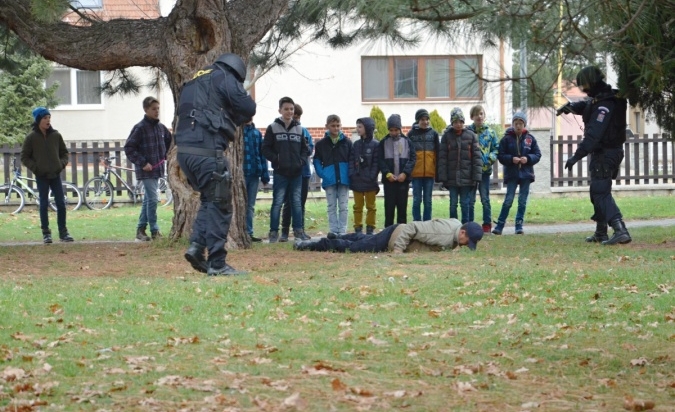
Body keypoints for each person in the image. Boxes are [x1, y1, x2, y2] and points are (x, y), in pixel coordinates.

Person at [175, 53, 256, 276]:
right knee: (221, 206)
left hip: (185, 153)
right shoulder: (225, 77)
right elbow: (248, 108)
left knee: (209, 200)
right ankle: (217, 263)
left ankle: (197, 247)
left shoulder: (194, 80)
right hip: (207, 151)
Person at [557, 66, 631, 245]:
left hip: (606, 153)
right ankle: (601, 233)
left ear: (592, 82)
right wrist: (571, 107)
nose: (583, 89)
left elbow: (593, 135)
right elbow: (588, 105)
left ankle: (620, 229)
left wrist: (576, 157)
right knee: (597, 191)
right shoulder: (602, 98)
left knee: (600, 192)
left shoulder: (606, 104)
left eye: (584, 85)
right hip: (605, 153)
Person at [21, 107, 74, 244]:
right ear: (39, 120)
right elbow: (24, 157)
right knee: (43, 204)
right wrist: (36, 168)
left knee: (61, 203)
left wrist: (60, 165)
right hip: (42, 176)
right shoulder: (31, 138)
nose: (48, 120)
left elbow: (64, 153)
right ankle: (46, 233)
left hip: (55, 175)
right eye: (45, 118)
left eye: (49, 118)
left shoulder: (56, 136)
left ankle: (63, 232)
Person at [262, 96, 311, 243]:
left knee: (296, 202)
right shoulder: (273, 127)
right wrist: (277, 160)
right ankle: (273, 233)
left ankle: (298, 231)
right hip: (280, 172)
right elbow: (265, 148)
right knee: (277, 202)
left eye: (291, 109)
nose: (289, 112)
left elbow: (305, 149)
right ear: (280, 110)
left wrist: (301, 161)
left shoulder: (299, 129)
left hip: (296, 173)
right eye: (286, 109)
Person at [124, 96, 173, 241]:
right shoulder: (140, 128)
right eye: (153, 109)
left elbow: (170, 143)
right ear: (146, 110)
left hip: (157, 169)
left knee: (148, 200)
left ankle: (140, 230)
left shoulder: (161, 128)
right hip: (146, 170)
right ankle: (154, 230)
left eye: (158, 108)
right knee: (153, 199)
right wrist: (143, 162)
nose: (157, 111)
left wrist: (168, 154)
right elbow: (129, 148)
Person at [293, 219, 483, 253]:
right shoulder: (443, 235)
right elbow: (413, 227)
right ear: (463, 233)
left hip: (394, 231)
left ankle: (337, 236)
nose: (466, 245)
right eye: (468, 241)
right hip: (395, 236)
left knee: (363, 240)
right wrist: (399, 249)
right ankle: (311, 244)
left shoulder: (456, 226)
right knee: (355, 248)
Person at [492, 111, 541, 235]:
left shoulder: (530, 139)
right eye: (516, 123)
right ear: (512, 124)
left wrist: (528, 159)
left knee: (522, 201)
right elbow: (501, 155)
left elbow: (537, 154)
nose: (518, 126)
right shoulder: (506, 139)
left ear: (524, 125)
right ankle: (500, 225)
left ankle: (519, 226)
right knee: (508, 200)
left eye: (520, 123)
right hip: (512, 174)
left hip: (526, 174)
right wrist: (511, 159)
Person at [437, 107, 482, 223]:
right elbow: (442, 158)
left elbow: (477, 158)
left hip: (467, 178)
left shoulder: (472, 136)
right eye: (455, 122)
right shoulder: (447, 137)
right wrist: (443, 177)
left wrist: (476, 177)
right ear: (452, 123)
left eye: (460, 122)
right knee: (453, 204)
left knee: (465, 203)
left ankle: (465, 226)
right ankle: (453, 225)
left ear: (464, 122)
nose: (458, 124)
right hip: (451, 178)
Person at [279, 103, 314, 242]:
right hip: (287, 173)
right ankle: (284, 232)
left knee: (300, 203)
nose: (296, 119)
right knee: (288, 202)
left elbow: (310, 150)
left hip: (303, 172)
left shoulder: (304, 131)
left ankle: (300, 230)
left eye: (298, 117)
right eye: (294, 116)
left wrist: (304, 146)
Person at [313, 114, 352, 237]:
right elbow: (317, 160)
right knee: (331, 206)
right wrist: (322, 173)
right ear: (327, 126)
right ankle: (334, 230)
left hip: (344, 179)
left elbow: (352, 160)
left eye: (338, 125)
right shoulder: (321, 144)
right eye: (333, 126)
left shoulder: (347, 142)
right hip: (329, 179)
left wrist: (349, 173)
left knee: (343, 206)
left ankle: (342, 230)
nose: (336, 128)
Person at [378, 114, 416, 227]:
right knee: (389, 208)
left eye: (396, 130)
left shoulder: (408, 142)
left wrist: (405, 173)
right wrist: (387, 173)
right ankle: (388, 232)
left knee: (402, 208)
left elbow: (412, 158)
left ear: (400, 129)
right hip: (389, 182)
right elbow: (380, 160)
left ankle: (401, 232)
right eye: (391, 130)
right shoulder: (383, 142)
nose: (394, 132)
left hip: (402, 182)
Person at [467, 105, 500, 233]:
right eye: (476, 114)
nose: (479, 116)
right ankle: (470, 224)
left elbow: (496, 148)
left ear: (484, 116)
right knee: (470, 200)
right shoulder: (468, 132)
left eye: (481, 114)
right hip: (471, 172)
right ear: (472, 117)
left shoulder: (490, 132)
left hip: (485, 171)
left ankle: (487, 225)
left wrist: (490, 158)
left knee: (485, 199)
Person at [348, 117, 380, 234]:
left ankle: (370, 227)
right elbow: (351, 160)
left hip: (370, 182)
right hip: (357, 180)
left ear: (368, 128)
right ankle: (358, 228)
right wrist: (352, 174)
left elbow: (376, 163)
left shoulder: (376, 145)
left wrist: (371, 176)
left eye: (360, 126)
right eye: (357, 126)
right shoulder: (356, 144)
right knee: (357, 206)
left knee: (371, 206)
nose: (358, 129)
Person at [408, 108, 439, 222]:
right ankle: (416, 222)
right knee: (416, 199)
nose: (425, 122)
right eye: (422, 119)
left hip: (429, 173)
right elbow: (408, 154)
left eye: (427, 119)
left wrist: (436, 169)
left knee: (428, 200)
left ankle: (427, 222)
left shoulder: (434, 134)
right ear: (417, 121)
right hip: (416, 174)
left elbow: (437, 153)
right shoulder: (411, 134)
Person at [243, 119, 270, 242]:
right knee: (239, 203)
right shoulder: (238, 132)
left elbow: (262, 154)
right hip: (241, 173)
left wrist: (265, 174)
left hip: (254, 173)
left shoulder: (257, 133)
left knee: (250, 205)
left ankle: (249, 232)